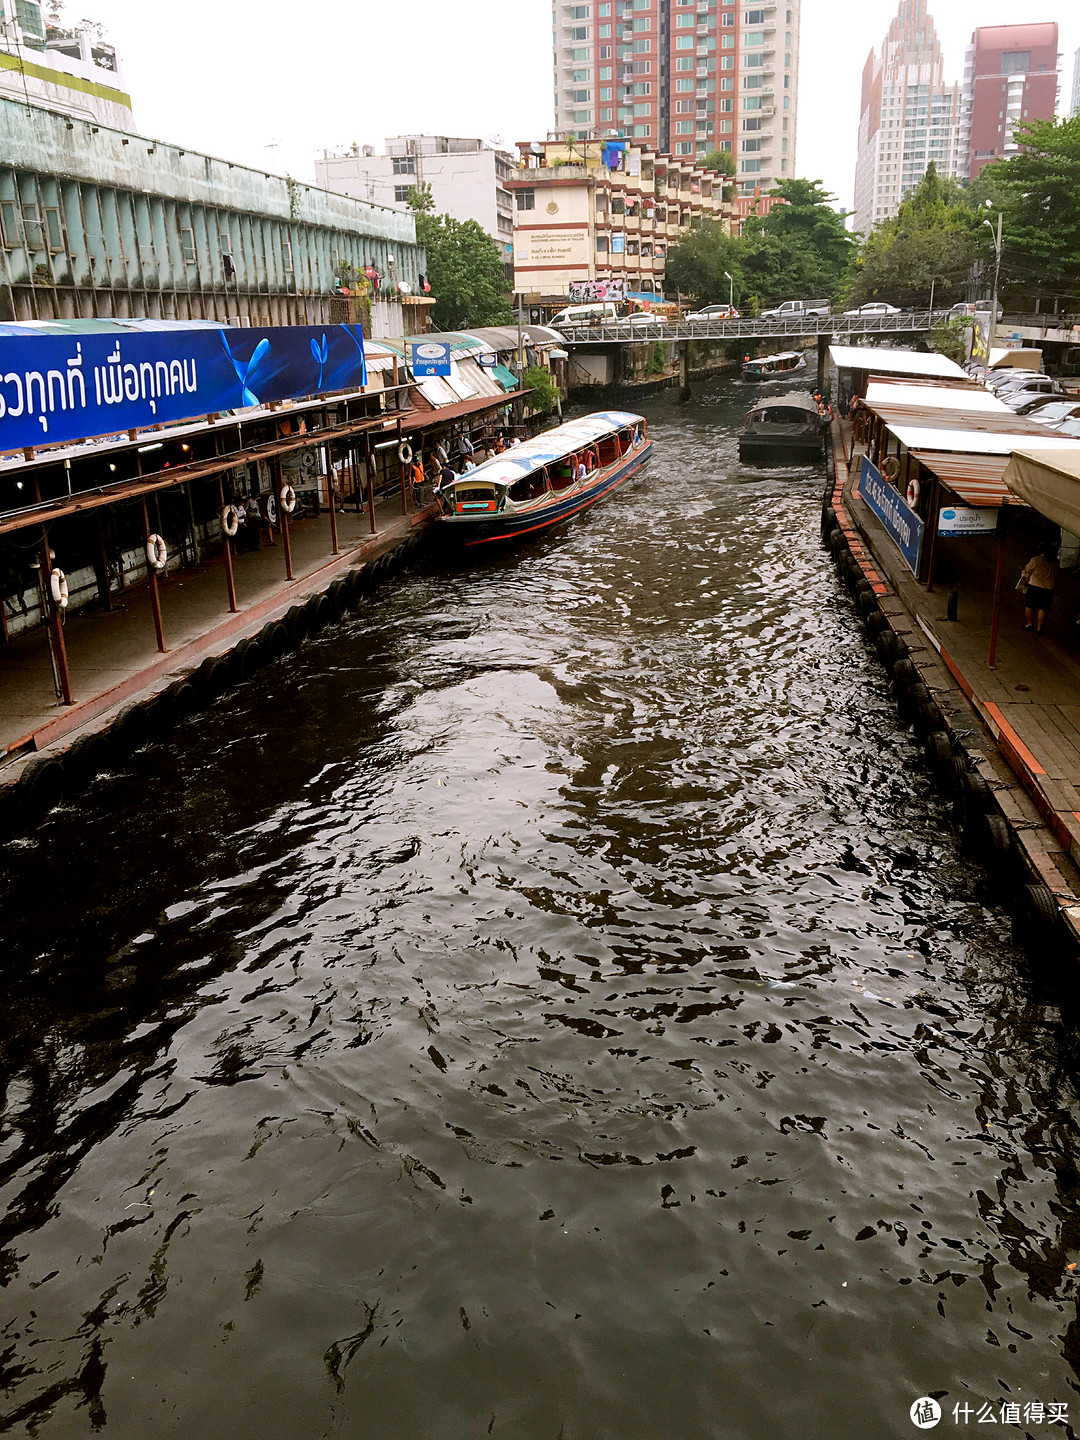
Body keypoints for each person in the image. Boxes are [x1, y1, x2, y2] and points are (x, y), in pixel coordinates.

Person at [1019, 547, 1059, 633]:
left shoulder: (1036, 559)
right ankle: (1039, 628)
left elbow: (1027, 570)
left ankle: (1029, 624)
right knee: (1043, 608)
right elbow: (1056, 574)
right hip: (1048, 588)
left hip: (1034, 586)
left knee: (1030, 605)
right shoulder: (1054, 562)